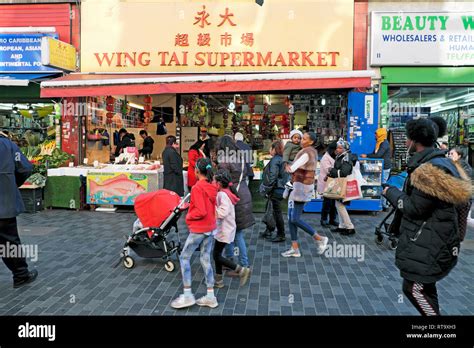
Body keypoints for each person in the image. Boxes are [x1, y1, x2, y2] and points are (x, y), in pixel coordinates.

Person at [382, 117, 471, 316]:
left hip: (428, 240)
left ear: (415, 140)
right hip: (434, 237)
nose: (405, 143)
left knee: (413, 288)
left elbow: (414, 207)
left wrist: (390, 192)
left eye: (407, 138)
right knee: (425, 288)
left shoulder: (428, 171)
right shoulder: (440, 163)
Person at [171, 158, 218, 309]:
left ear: (197, 171)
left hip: (199, 228)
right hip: (210, 228)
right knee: (205, 259)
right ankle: (210, 296)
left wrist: (189, 216)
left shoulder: (197, 188)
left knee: (184, 257)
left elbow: (201, 210)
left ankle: (187, 295)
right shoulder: (212, 186)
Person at [281, 132, 329, 258]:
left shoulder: (306, 152)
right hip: (298, 187)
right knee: (291, 218)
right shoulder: (310, 152)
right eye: (302, 138)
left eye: (305, 139)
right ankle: (295, 248)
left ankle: (319, 238)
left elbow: (292, 168)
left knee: (294, 218)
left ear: (311, 141)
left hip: (300, 189)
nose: (302, 140)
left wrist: (286, 164)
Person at [0, 133, 38, 288]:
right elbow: (25, 168)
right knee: (9, 242)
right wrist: (10, 183)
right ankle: (21, 274)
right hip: (4, 202)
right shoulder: (7, 145)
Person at [216, 135, 255, 274]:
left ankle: (244, 265)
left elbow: (222, 180)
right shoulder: (240, 157)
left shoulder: (224, 161)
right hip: (244, 193)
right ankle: (229, 260)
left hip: (234, 197)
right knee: (232, 231)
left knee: (236, 233)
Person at [213, 169, 251, 288]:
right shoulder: (227, 191)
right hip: (225, 229)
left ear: (218, 183)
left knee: (216, 255)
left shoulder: (222, 194)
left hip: (224, 230)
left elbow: (222, 213)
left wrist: (212, 209)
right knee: (217, 254)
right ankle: (218, 281)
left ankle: (240, 270)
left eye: (214, 181)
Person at [259, 140, 289, 242]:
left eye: (270, 148)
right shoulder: (281, 159)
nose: (269, 150)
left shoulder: (275, 160)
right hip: (280, 188)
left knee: (277, 212)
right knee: (270, 209)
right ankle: (269, 230)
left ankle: (281, 234)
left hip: (276, 189)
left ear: (274, 149)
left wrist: (267, 188)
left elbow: (273, 176)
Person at [328, 139, 357, 236]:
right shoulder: (342, 156)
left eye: (340, 147)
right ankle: (342, 225)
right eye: (337, 147)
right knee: (338, 204)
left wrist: (332, 171)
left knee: (340, 205)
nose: (338, 149)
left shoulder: (346, 157)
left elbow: (344, 172)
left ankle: (350, 227)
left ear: (345, 148)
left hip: (343, 183)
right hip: (340, 183)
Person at [361, 128, 392, 209]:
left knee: (383, 185)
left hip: (384, 167)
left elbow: (378, 155)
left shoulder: (384, 143)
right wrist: (366, 155)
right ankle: (381, 203)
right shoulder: (379, 143)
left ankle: (384, 204)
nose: (375, 135)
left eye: (376, 134)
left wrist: (367, 156)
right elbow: (374, 153)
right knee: (380, 184)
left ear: (380, 134)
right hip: (380, 167)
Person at [318, 141, 338, 228]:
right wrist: (338, 170)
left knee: (334, 203)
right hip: (327, 183)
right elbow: (328, 169)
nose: (337, 151)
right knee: (327, 203)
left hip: (334, 183)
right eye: (336, 150)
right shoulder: (325, 158)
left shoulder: (335, 156)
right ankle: (324, 219)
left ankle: (332, 219)